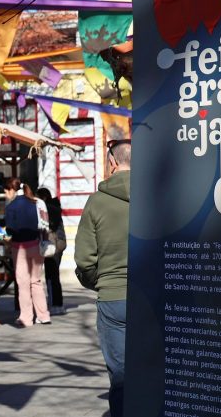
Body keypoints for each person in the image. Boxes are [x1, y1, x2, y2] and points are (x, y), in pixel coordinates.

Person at [75, 139, 131, 417]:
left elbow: (85, 260)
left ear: (112, 162)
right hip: (153, 297)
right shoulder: (157, 197)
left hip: (112, 297)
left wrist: (100, 280)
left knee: (121, 375)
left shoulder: (96, 202)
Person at [3, 177, 50, 327]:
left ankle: (26, 318)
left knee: (23, 283)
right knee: (36, 281)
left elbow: (11, 229)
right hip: (36, 245)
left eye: (5, 191)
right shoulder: (35, 202)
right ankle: (44, 316)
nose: (5, 195)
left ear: (12, 190)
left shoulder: (11, 207)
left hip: (20, 248)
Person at [37, 186, 66, 315]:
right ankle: (57, 303)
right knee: (54, 274)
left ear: (42, 197)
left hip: (52, 244)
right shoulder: (55, 206)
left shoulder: (47, 208)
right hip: (59, 243)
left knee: (51, 274)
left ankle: (54, 304)